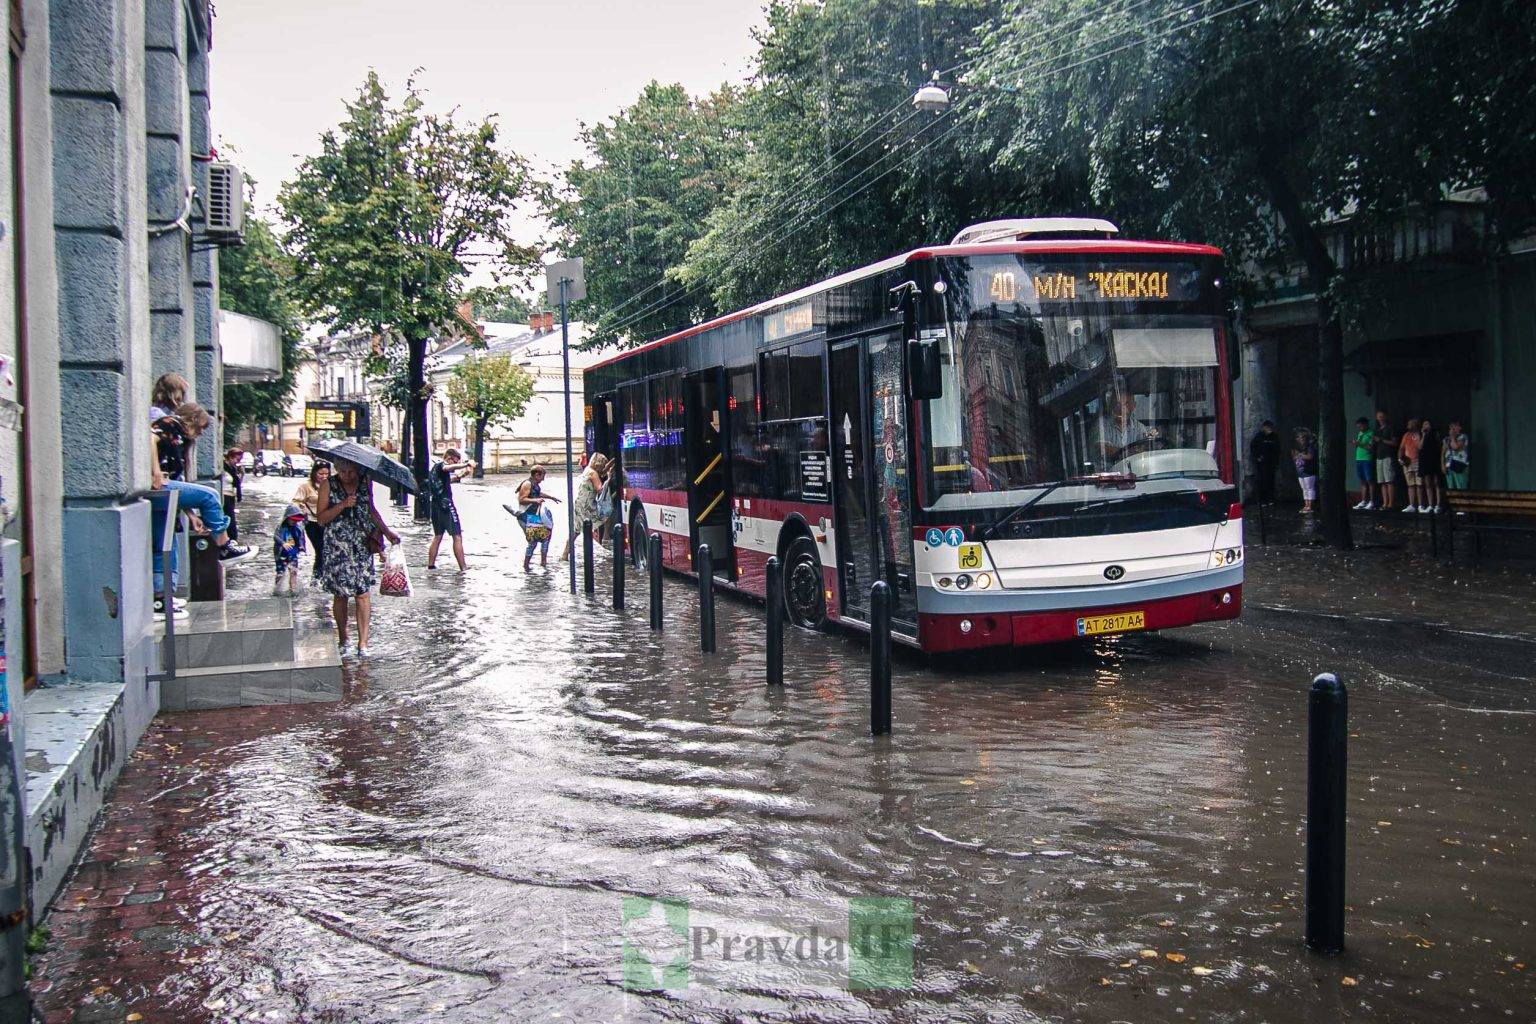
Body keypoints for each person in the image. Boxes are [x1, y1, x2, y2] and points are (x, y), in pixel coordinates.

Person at [315, 459, 399, 658]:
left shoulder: (364, 481)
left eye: (351, 471)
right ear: (337, 469)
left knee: (362, 593)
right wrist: (343, 504)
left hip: (360, 545)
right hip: (337, 546)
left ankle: (363, 643)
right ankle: (344, 638)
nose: (347, 476)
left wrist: (387, 533)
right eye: (343, 471)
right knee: (341, 593)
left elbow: (371, 510)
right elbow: (321, 519)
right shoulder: (328, 485)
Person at [426, 448, 476, 571]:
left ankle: (431, 565)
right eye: (454, 461)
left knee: (438, 536)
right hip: (446, 506)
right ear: (448, 457)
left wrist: (461, 475)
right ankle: (463, 568)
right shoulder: (442, 465)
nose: (455, 464)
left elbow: (446, 481)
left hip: (435, 505)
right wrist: (466, 464)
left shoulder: (434, 469)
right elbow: (447, 468)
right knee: (457, 536)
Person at [509, 464, 557, 571]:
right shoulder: (527, 484)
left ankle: (541, 564)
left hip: (533, 517)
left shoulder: (534, 484)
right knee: (534, 541)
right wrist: (535, 501)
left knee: (544, 537)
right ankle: (527, 566)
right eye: (542, 477)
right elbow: (521, 499)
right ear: (536, 475)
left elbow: (537, 493)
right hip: (525, 516)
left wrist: (551, 497)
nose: (543, 480)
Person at [562, 453, 608, 561]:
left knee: (576, 529)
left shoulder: (587, 469)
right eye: (604, 464)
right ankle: (602, 543)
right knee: (603, 517)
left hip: (580, 503)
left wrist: (610, 466)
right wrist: (608, 480)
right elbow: (599, 489)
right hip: (587, 505)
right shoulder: (594, 474)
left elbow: (599, 475)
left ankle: (565, 553)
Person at [292, 461, 331, 580]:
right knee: (320, 549)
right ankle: (316, 579)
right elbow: (296, 501)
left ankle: (325, 576)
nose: (324, 476)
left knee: (328, 550)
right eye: (321, 474)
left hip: (327, 521)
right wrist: (301, 507)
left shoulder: (331, 485)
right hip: (312, 522)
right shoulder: (305, 486)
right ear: (314, 473)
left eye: (326, 474)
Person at [272, 504, 307, 595]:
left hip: (293, 553)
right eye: (292, 520)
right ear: (287, 518)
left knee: (293, 571)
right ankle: (277, 590)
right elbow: (275, 536)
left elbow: (302, 538)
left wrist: (302, 547)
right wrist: (283, 543)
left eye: (296, 520)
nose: (294, 522)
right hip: (281, 554)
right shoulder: (281, 527)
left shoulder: (299, 527)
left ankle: (293, 589)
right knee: (280, 572)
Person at [1248, 420, 1281, 505]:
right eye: (1268, 427)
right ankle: (1261, 500)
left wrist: (1276, 461)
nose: (1269, 429)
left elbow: (1277, 449)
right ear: (1264, 427)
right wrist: (1257, 457)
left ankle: (1270, 499)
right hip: (1261, 464)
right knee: (1261, 481)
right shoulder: (1259, 437)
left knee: (1271, 481)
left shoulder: (1274, 437)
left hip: (1271, 463)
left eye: (1271, 428)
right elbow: (1253, 448)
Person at [1372, 410, 1398, 511]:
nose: (1380, 418)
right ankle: (1385, 503)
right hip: (1379, 457)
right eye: (1379, 416)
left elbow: (1394, 443)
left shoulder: (1390, 428)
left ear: (1385, 417)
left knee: (1389, 481)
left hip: (1388, 456)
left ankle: (1391, 503)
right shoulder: (1377, 430)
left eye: (1382, 416)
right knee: (1382, 482)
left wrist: (1381, 440)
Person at [1397, 416, 1423, 513]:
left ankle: (1421, 505)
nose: (1408, 425)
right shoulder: (1406, 435)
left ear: (1415, 424)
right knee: (1410, 484)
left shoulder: (1420, 434)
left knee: (1419, 484)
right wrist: (1400, 458)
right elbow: (1401, 448)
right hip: (1407, 462)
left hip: (1418, 461)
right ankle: (1412, 505)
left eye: (1410, 423)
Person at [1418, 417, 1443, 514]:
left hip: (1435, 460)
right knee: (1428, 483)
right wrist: (1423, 435)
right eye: (1424, 424)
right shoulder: (1422, 435)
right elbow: (1420, 447)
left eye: (1427, 424)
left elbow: (1439, 445)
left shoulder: (1435, 434)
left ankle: (1438, 505)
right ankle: (1430, 505)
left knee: (1436, 482)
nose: (1426, 426)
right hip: (1425, 461)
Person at [1292, 427, 1318, 514]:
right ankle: (1306, 505)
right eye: (1299, 437)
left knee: (1310, 488)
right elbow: (1295, 457)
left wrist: (1299, 455)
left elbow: (1310, 456)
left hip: (1309, 471)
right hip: (1301, 471)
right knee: (1304, 489)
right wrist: (1297, 456)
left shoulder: (1310, 446)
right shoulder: (1300, 447)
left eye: (1302, 437)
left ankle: (1310, 506)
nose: (1300, 439)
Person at [1351, 417, 1376, 510]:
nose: (1360, 428)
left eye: (1361, 426)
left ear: (1365, 424)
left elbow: (1370, 447)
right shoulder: (1360, 433)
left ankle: (1372, 501)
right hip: (1359, 458)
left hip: (1367, 458)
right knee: (1362, 481)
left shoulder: (1371, 433)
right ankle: (1363, 500)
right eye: (1358, 427)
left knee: (1370, 480)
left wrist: (1359, 444)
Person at [1444, 421, 1470, 492]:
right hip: (1449, 465)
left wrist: (1453, 437)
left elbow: (1455, 447)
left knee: (1461, 487)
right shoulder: (1446, 439)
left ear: (1460, 428)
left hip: (1460, 464)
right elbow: (1443, 452)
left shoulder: (1463, 437)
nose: (1452, 429)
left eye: (1455, 426)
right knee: (1451, 488)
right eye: (1451, 427)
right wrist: (1443, 465)